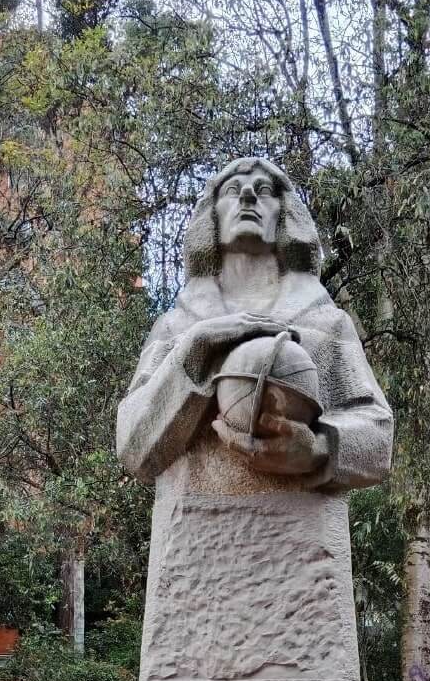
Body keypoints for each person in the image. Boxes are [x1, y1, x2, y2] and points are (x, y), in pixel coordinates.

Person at [116, 156, 392, 493]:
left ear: (284, 213)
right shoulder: (176, 328)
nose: (248, 195)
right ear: (212, 215)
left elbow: (378, 435)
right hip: (191, 537)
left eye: (264, 190)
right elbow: (133, 447)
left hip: (306, 536)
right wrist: (195, 352)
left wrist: (318, 449)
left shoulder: (328, 323)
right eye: (233, 190)